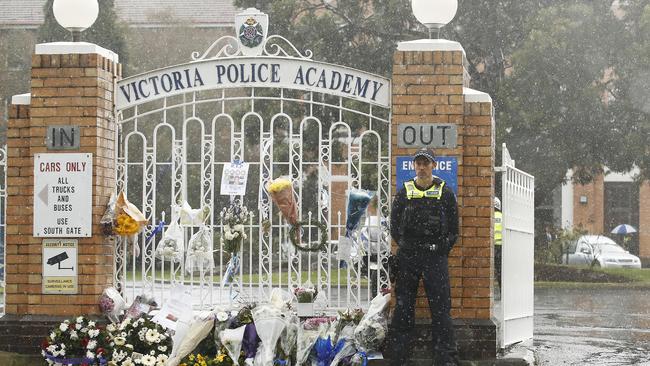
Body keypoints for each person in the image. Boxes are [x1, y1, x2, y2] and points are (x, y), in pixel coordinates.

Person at [387, 147, 459, 366]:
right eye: (418, 163)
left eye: (426, 163)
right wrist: (407, 247)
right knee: (403, 308)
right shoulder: (404, 191)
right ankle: (399, 357)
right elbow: (395, 226)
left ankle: (444, 358)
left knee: (441, 310)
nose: (421, 167)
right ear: (414, 166)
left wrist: (439, 249)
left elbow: (454, 230)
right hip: (409, 258)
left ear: (433, 166)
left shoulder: (445, 193)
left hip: (434, 258)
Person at [494, 197, 503, 289]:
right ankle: (502, 291)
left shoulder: (489, 217)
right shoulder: (502, 216)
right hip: (501, 248)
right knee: (500, 271)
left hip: (491, 247)